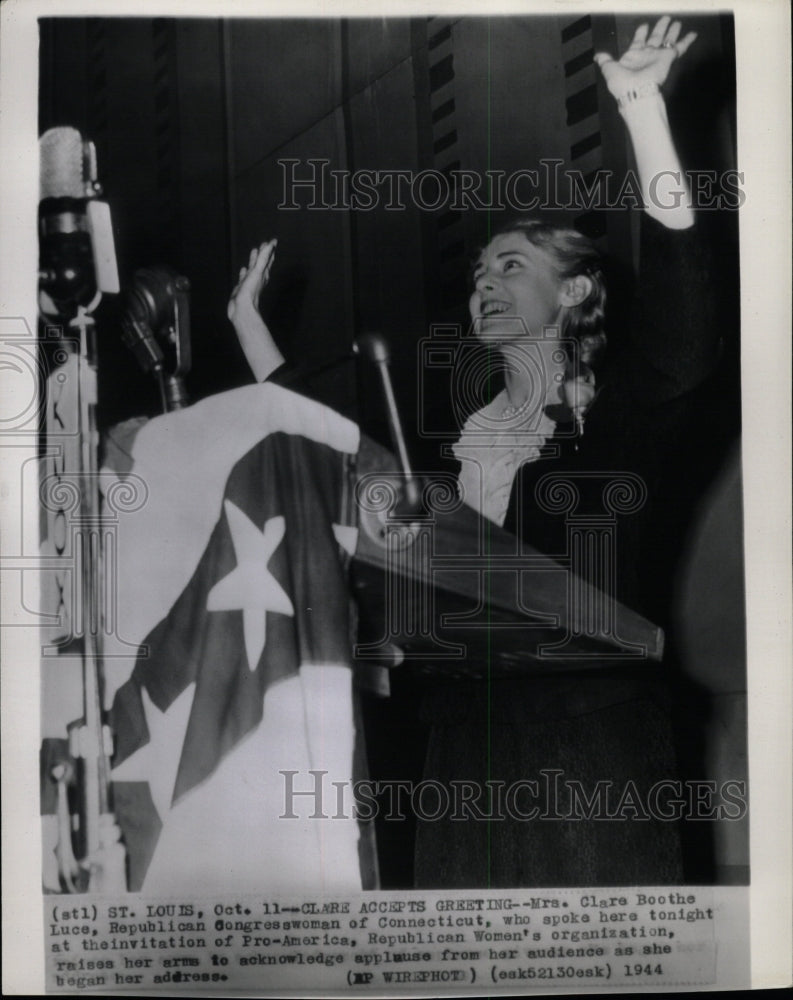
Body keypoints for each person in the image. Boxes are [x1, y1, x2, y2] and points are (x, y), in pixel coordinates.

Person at [229, 17, 728, 887]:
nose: (482, 284)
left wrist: (644, 114)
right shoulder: (456, 439)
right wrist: (247, 330)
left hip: (588, 747)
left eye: (509, 266)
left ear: (572, 290)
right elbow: (327, 446)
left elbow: (684, 327)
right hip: (460, 742)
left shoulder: (615, 425)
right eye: (477, 274)